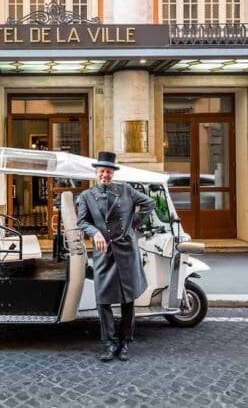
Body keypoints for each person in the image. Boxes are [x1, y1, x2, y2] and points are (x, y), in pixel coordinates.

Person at [76, 151, 154, 362]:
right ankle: (110, 343)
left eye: (108, 172)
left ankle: (125, 342)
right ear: (96, 173)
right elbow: (82, 222)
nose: (105, 175)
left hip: (126, 251)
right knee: (103, 299)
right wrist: (95, 232)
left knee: (128, 299)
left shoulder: (126, 190)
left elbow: (149, 203)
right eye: (102, 171)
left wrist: (134, 224)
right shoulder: (86, 196)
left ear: (113, 173)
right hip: (104, 253)